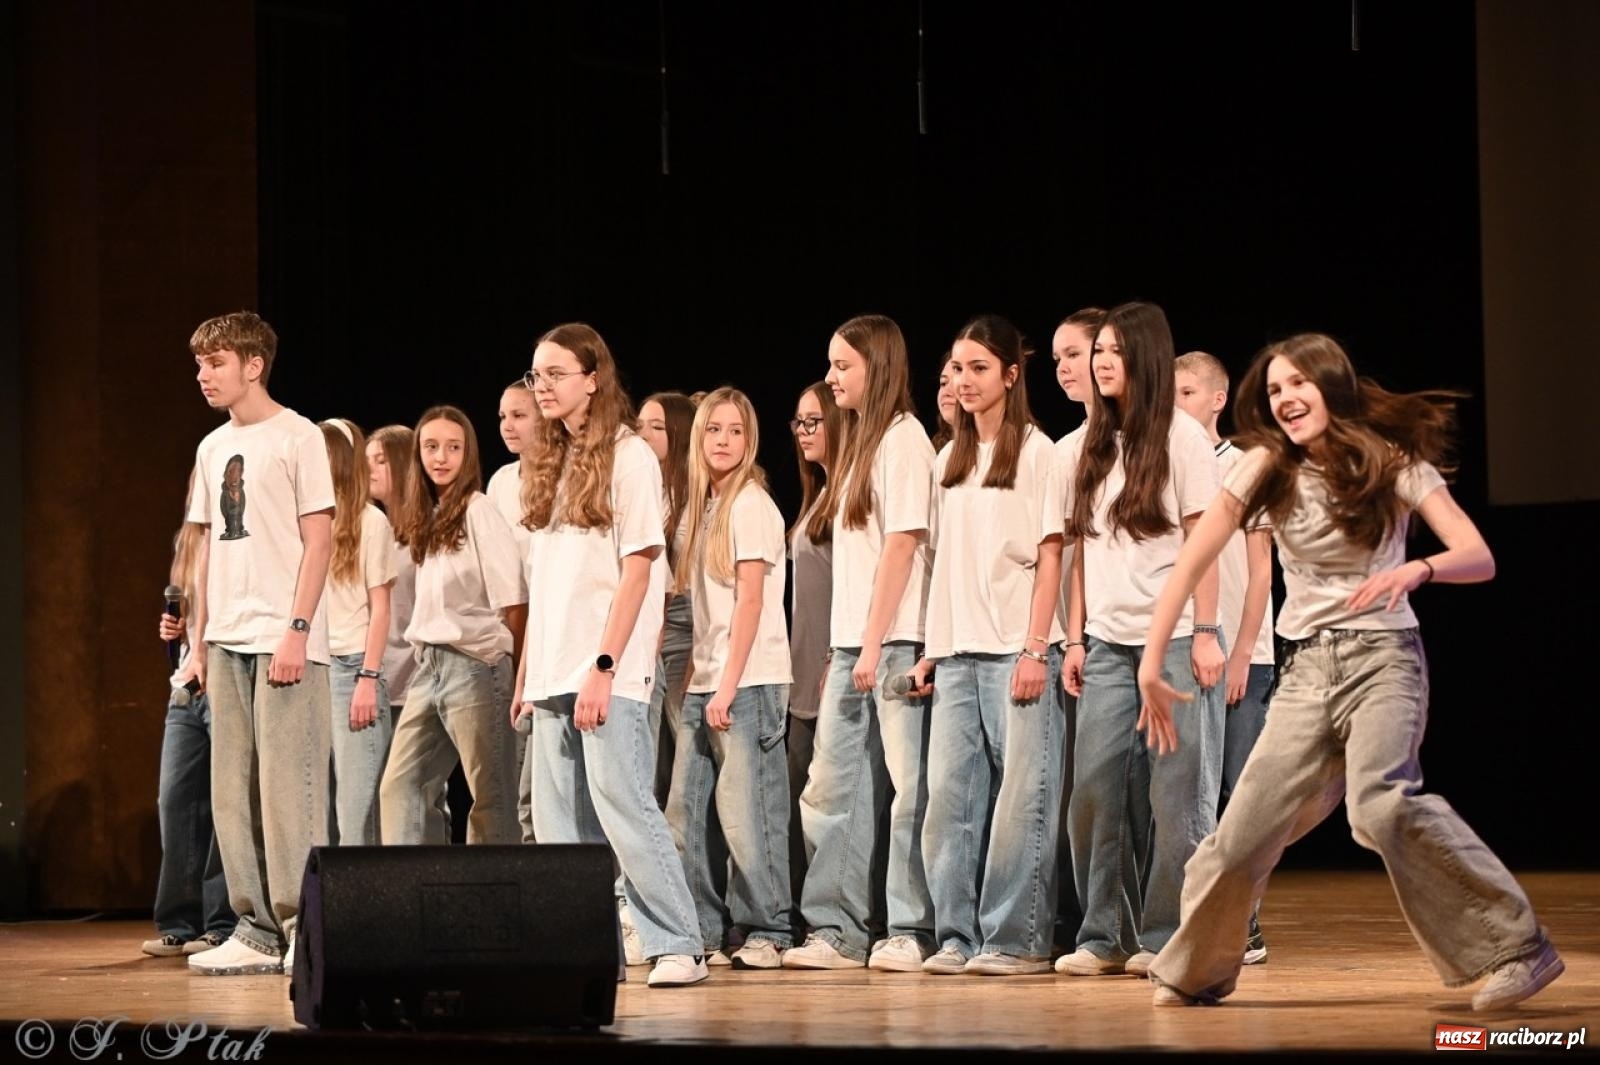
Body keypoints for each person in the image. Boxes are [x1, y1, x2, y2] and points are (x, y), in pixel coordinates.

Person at [1138, 333, 1563, 1012]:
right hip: (1307, 670)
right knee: (1242, 830)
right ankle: (1197, 970)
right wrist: (1152, 660)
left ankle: (1517, 946)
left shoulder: (1390, 460)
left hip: (1383, 659)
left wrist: (1419, 567)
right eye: (1275, 389)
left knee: (1381, 803)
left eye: (1299, 383)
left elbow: (1477, 555)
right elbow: (1194, 560)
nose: (1286, 399)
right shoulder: (1261, 469)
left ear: (1331, 384)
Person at [515, 322, 707, 989]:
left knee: (623, 801)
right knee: (560, 821)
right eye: (536, 374)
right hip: (551, 666)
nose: (543, 386)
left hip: (608, 667)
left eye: (556, 373)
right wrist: (527, 671)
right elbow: (545, 581)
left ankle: (679, 939)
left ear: (593, 377)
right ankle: (582, 946)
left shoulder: (629, 456)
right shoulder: (546, 461)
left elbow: (638, 570)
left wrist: (603, 667)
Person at [1057, 301, 1224, 978]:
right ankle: (1104, 934)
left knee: (1175, 796)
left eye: (1114, 351)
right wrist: (1073, 639)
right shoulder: (1086, 445)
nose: (1099, 362)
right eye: (1096, 350)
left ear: (1146, 358)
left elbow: (1205, 544)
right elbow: (1077, 553)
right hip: (1106, 643)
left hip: (1178, 637)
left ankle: (1168, 934)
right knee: (1093, 791)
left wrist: (1208, 631)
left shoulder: (1182, 437)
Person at [181, 311, 334, 977]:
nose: (203, 375)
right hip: (226, 636)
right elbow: (207, 547)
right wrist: (197, 641)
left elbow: (320, 538)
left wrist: (297, 629)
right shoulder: (211, 447)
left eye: (215, 363)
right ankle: (255, 927)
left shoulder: (299, 436)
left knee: (288, 786)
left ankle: (306, 923)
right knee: (232, 788)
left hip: (283, 634)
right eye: (199, 365)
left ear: (253, 364)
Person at [912, 315, 1065, 976]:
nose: (965, 380)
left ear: (1010, 373)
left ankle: (1017, 937)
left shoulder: (1039, 452)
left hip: (1015, 650)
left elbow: (1052, 556)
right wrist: (930, 647)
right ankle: (955, 934)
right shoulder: (949, 458)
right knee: (949, 800)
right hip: (957, 651)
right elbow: (944, 564)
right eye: (957, 367)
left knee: (1020, 803)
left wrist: (1036, 648)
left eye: (979, 367)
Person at [784, 314, 936, 973]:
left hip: (893, 640)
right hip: (854, 646)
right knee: (831, 789)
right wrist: (842, 650)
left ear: (876, 366)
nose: (830, 377)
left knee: (908, 787)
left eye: (842, 365)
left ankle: (910, 925)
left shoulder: (904, 441)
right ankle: (838, 929)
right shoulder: (860, 445)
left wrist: (872, 643)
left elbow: (902, 546)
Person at [666, 387, 796, 969]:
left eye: (736, 431)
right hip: (707, 680)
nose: (724, 441)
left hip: (748, 681)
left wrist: (725, 684)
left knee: (749, 814)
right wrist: (701, 674)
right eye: (714, 429)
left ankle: (768, 928)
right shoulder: (706, 506)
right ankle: (702, 928)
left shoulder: (751, 505)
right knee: (688, 812)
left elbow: (750, 603)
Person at [380, 406, 526, 845]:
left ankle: (494, 906)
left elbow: (515, 603)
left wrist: (518, 676)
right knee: (400, 785)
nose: (441, 457)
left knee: (491, 797)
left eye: (453, 447)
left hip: (476, 667)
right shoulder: (428, 515)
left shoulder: (479, 511)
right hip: (431, 669)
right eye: (431, 447)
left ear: (468, 453)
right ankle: (411, 899)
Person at [1174, 350, 1276, 963]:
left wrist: (1242, 653)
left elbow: (1262, 571)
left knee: (1241, 792)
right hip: (1188, 650)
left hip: (1243, 653)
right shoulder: (1168, 465)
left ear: (1217, 399)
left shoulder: (1243, 466)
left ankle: (1246, 920)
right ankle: (1190, 919)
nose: (1176, 404)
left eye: (1188, 392)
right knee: (1191, 792)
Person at [143, 472, 235, 959]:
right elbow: (192, 610)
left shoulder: (236, 536)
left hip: (222, 681)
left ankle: (222, 923)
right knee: (175, 800)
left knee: (223, 804)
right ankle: (179, 921)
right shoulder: (188, 539)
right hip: (186, 684)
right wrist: (175, 631)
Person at [319, 419, 398, 846]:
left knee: (357, 809)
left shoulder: (371, 522)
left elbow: (380, 607)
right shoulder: (311, 520)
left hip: (352, 670)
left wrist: (368, 678)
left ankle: (361, 909)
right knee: (319, 805)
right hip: (314, 669)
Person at [783, 381, 841, 906]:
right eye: (798, 423)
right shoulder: (818, 494)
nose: (802, 433)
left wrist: (833, 659)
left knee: (830, 798)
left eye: (813, 422)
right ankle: (804, 913)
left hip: (830, 670)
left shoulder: (848, 495)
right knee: (797, 795)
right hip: (801, 674)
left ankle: (839, 917)